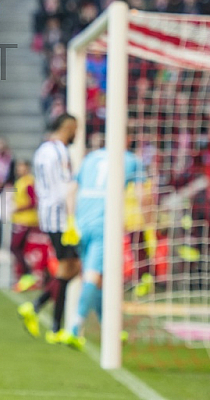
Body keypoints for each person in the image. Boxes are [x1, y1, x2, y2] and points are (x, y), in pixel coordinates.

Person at [66, 145, 144, 349]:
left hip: (81, 221)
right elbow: (141, 194)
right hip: (105, 223)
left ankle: (110, 329)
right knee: (93, 276)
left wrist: (71, 220)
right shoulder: (130, 159)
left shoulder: (90, 157)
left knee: (97, 277)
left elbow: (71, 191)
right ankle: (75, 326)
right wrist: (148, 218)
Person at [18, 113, 79, 343]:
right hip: (61, 217)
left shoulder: (42, 150)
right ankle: (51, 324)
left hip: (47, 214)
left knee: (70, 267)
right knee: (69, 268)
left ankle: (42, 314)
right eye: (76, 129)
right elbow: (66, 187)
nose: (76, 135)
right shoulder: (61, 151)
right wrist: (73, 219)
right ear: (69, 127)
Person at [9, 160, 41, 292]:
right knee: (18, 249)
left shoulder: (28, 182)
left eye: (21, 167)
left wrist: (18, 208)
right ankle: (24, 277)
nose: (19, 169)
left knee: (15, 247)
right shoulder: (21, 182)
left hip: (26, 220)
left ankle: (27, 276)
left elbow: (33, 202)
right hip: (20, 220)